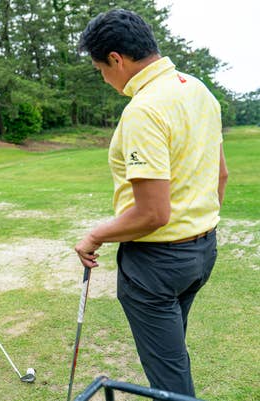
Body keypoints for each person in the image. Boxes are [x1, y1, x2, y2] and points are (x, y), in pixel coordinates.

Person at [75, 9, 228, 398]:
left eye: (100, 69)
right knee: (172, 356)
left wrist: (94, 236)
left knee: (169, 378)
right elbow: (221, 176)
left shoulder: (144, 110)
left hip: (156, 263)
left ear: (116, 59)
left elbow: (153, 213)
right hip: (202, 252)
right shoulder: (198, 90)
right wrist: (198, 230)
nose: (104, 78)